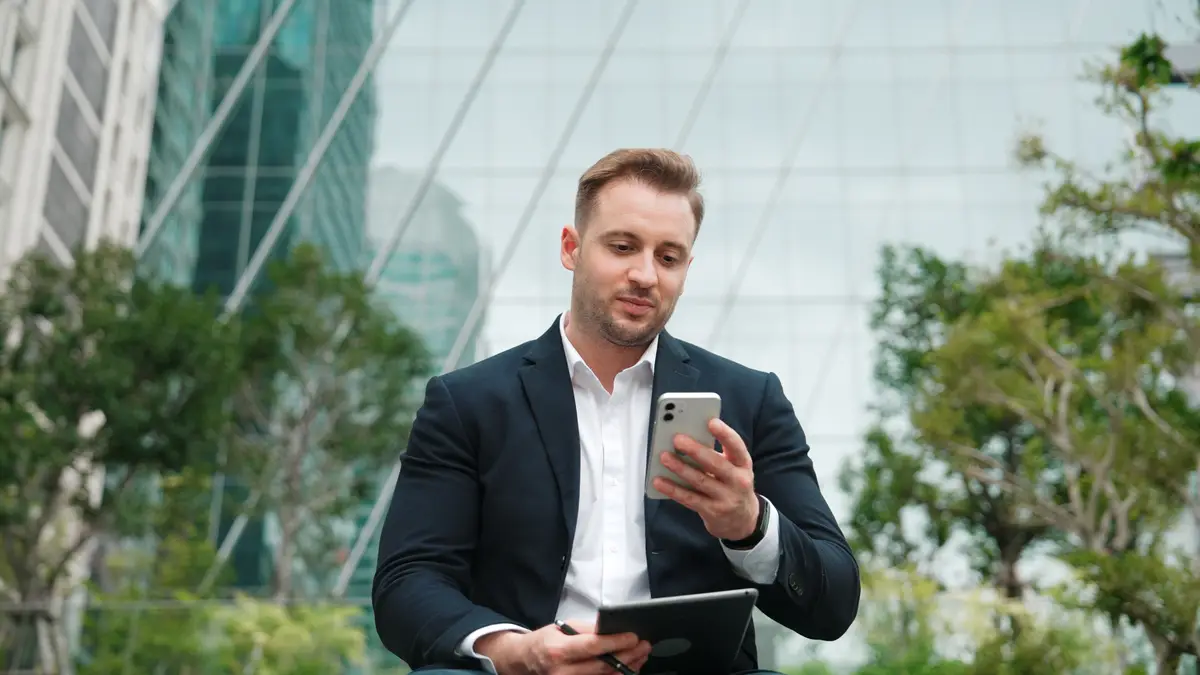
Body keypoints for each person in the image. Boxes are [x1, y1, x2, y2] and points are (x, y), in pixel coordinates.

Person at [373, 148, 860, 675]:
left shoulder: (750, 401)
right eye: (623, 247)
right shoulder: (468, 403)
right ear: (571, 248)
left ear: (686, 269)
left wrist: (750, 525)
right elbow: (408, 582)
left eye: (668, 257)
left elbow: (834, 604)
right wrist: (517, 652)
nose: (645, 275)